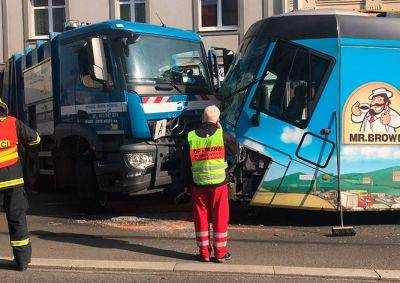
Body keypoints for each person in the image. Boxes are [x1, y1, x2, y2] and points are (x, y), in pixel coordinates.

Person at [183, 105, 239, 263]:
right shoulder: (223, 136)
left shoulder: (191, 137)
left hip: (198, 184)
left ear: (202, 118)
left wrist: (186, 184)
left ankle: (204, 254)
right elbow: (235, 153)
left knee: (201, 217)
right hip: (219, 184)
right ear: (218, 120)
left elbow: (184, 164)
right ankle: (220, 254)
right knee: (220, 217)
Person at [0, 99, 40, 271]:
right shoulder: (12, 123)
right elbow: (35, 139)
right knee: (17, 220)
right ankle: (22, 261)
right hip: (14, 182)